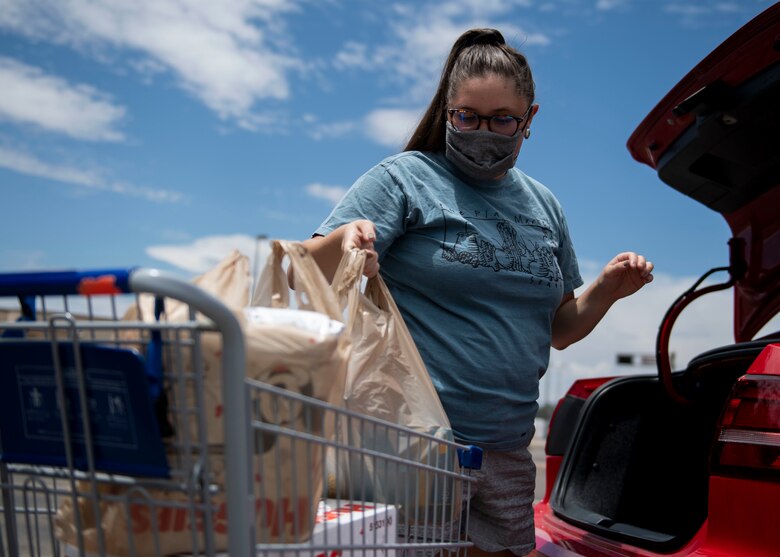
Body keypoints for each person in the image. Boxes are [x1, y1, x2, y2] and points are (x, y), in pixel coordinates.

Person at [298, 28, 654, 557]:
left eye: (503, 119)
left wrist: (606, 289)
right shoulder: (405, 178)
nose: (484, 131)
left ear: (529, 120)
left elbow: (558, 331)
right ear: (447, 111)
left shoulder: (544, 206)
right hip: (412, 447)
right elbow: (307, 266)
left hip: (508, 452)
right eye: (467, 116)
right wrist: (344, 241)